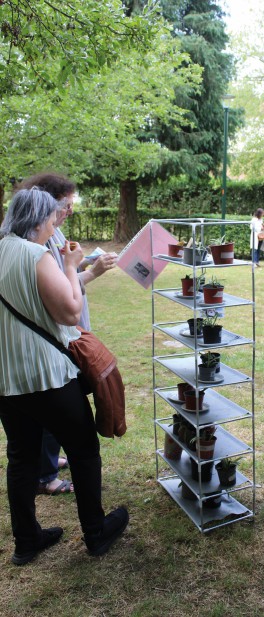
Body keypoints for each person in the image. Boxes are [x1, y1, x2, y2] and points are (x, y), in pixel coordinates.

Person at [0, 188, 128, 565]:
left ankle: (27, 541)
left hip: (8, 378)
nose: (56, 223)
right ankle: (96, 532)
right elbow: (70, 313)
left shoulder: (2, 247)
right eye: (54, 217)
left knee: (21, 458)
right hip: (47, 377)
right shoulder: (36, 255)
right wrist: (70, 266)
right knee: (84, 451)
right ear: (39, 218)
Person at [14, 173, 118, 496]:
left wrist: (79, 261)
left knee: (43, 419)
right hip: (55, 341)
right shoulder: (37, 243)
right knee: (57, 409)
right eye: (65, 204)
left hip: (61, 336)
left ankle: (48, 460)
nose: (70, 210)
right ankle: (46, 473)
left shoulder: (48, 233)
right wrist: (89, 270)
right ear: (45, 204)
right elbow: (64, 298)